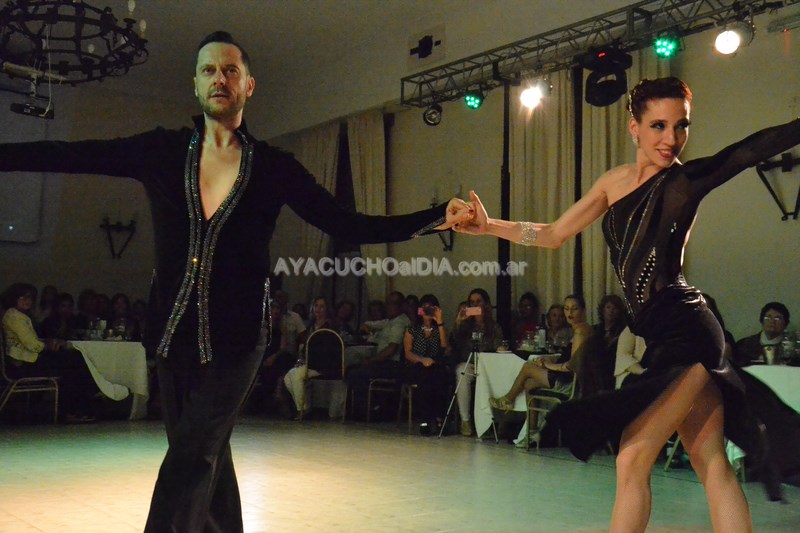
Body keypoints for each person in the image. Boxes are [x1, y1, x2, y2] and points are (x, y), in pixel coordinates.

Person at [0, 31, 472, 533]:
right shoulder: (160, 151)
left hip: (239, 338)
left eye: (230, 70)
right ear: (195, 84)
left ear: (249, 85)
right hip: (171, 335)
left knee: (190, 458)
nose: (219, 78)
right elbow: (68, 153)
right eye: (208, 70)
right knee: (207, 457)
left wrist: (435, 217)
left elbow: (348, 224)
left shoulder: (273, 167)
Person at [455, 77, 800, 530]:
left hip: (688, 330)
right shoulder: (613, 182)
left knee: (633, 459)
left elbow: (747, 151)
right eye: (659, 125)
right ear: (633, 127)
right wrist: (489, 227)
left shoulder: (685, 180)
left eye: (681, 126)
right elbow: (553, 234)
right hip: (663, 334)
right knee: (709, 460)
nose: (671, 138)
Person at [489, 294, 591, 444]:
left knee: (528, 367)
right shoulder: (580, 330)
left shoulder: (580, 332)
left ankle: (508, 399)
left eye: (574, 309)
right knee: (529, 383)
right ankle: (531, 432)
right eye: (566, 308)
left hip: (569, 382)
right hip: (565, 377)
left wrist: (548, 365)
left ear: (583, 310)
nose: (569, 313)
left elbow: (572, 366)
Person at [1, 283, 98, 421]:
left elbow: (31, 341)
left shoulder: (19, 315)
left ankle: (76, 408)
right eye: (22, 297)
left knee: (74, 361)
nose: (27, 301)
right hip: (25, 364)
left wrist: (49, 343)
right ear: (14, 298)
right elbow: (32, 344)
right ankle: (73, 409)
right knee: (74, 362)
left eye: (30, 297)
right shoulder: (14, 316)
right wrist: (49, 345)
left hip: (28, 360)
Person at [450, 288, 504, 437]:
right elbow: (453, 342)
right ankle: (465, 420)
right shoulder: (465, 325)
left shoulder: (494, 326)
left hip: (488, 365)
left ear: (486, 304)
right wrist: (459, 322)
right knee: (462, 371)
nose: (475, 305)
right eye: (472, 302)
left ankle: (498, 422)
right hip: (469, 363)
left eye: (478, 301)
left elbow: (498, 346)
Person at [401, 293, 450, 435]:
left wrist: (439, 322)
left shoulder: (439, 329)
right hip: (416, 364)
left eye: (431, 308)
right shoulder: (412, 329)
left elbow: (444, 346)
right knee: (424, 376)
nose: (427, 311)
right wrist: (422, 360)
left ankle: (439, 417)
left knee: (439, 375)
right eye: (425, 308)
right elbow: (407, 353)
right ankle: (425, 418)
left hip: (435, 365)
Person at [582, 294, 627, 397]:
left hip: (612, 366)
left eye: (614, 308)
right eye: (608, 307)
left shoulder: (622, 330)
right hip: (596, 369)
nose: (611, 311)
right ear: (603, 310)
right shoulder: (596, 330)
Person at [733, 302, 791, 366]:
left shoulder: (790, 348)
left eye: (778, 318)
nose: (772, 321)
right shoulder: (744, 345)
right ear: (761, 321)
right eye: (768, 317)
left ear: (785, 324)